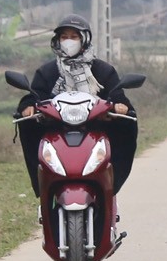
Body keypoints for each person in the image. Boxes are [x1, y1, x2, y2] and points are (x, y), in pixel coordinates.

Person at [16, 15, 138, 195]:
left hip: (96, 129)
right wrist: (28, 106)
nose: (68, 41)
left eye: (74, 37)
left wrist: (120, 106)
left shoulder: (103, 71)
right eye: (64, 37)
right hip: (56, 131)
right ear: (57, 41)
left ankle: (112, 183)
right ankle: (43, 186)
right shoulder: (47, 72)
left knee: (128, 123)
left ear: (85, 40)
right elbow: (35, 95)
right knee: (26, 124)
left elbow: (117, 95)